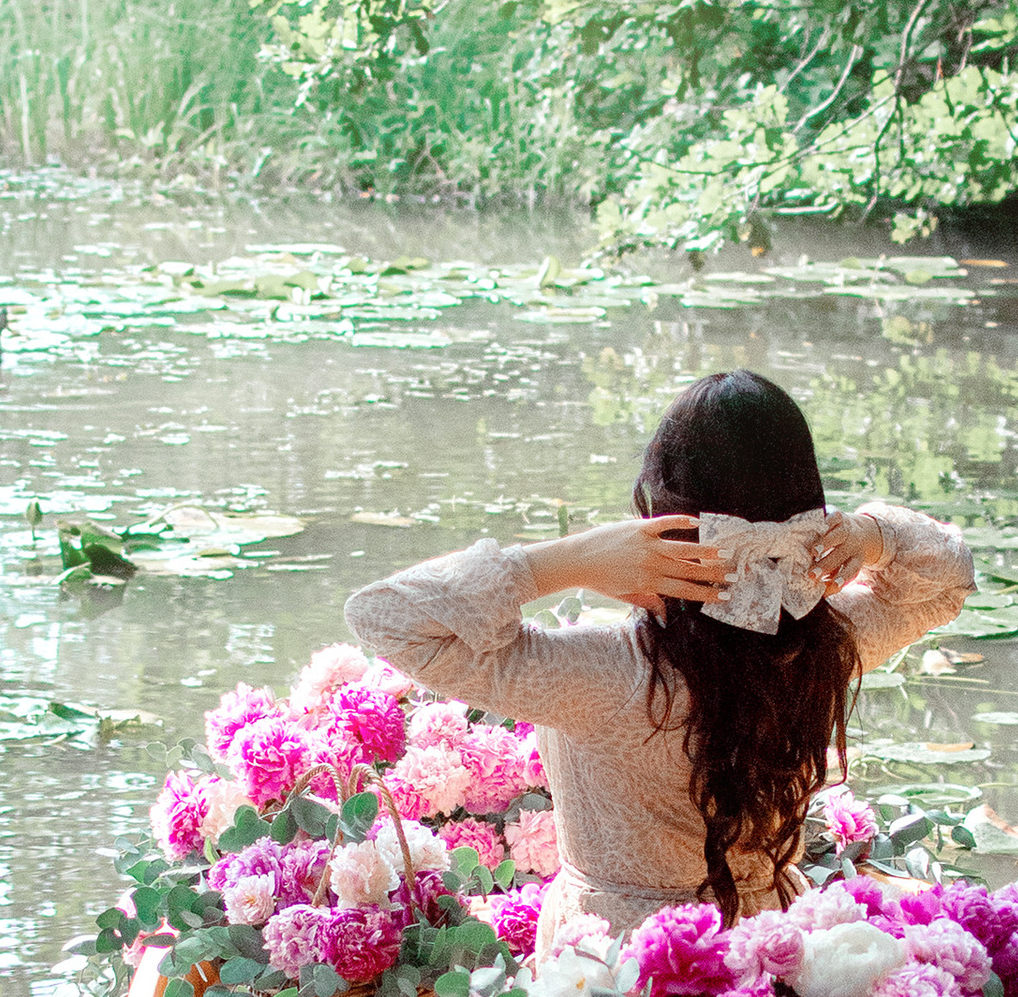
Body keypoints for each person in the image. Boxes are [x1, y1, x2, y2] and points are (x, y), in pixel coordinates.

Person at [345, 368, 972, 943]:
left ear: (659, 513)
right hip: (772, 961)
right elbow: (949, 582)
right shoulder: (827, 645)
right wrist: (873, 536)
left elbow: (382, 615)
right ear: (808, 503)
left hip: (618, 978)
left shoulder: (599, 673)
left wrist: (571, 560)